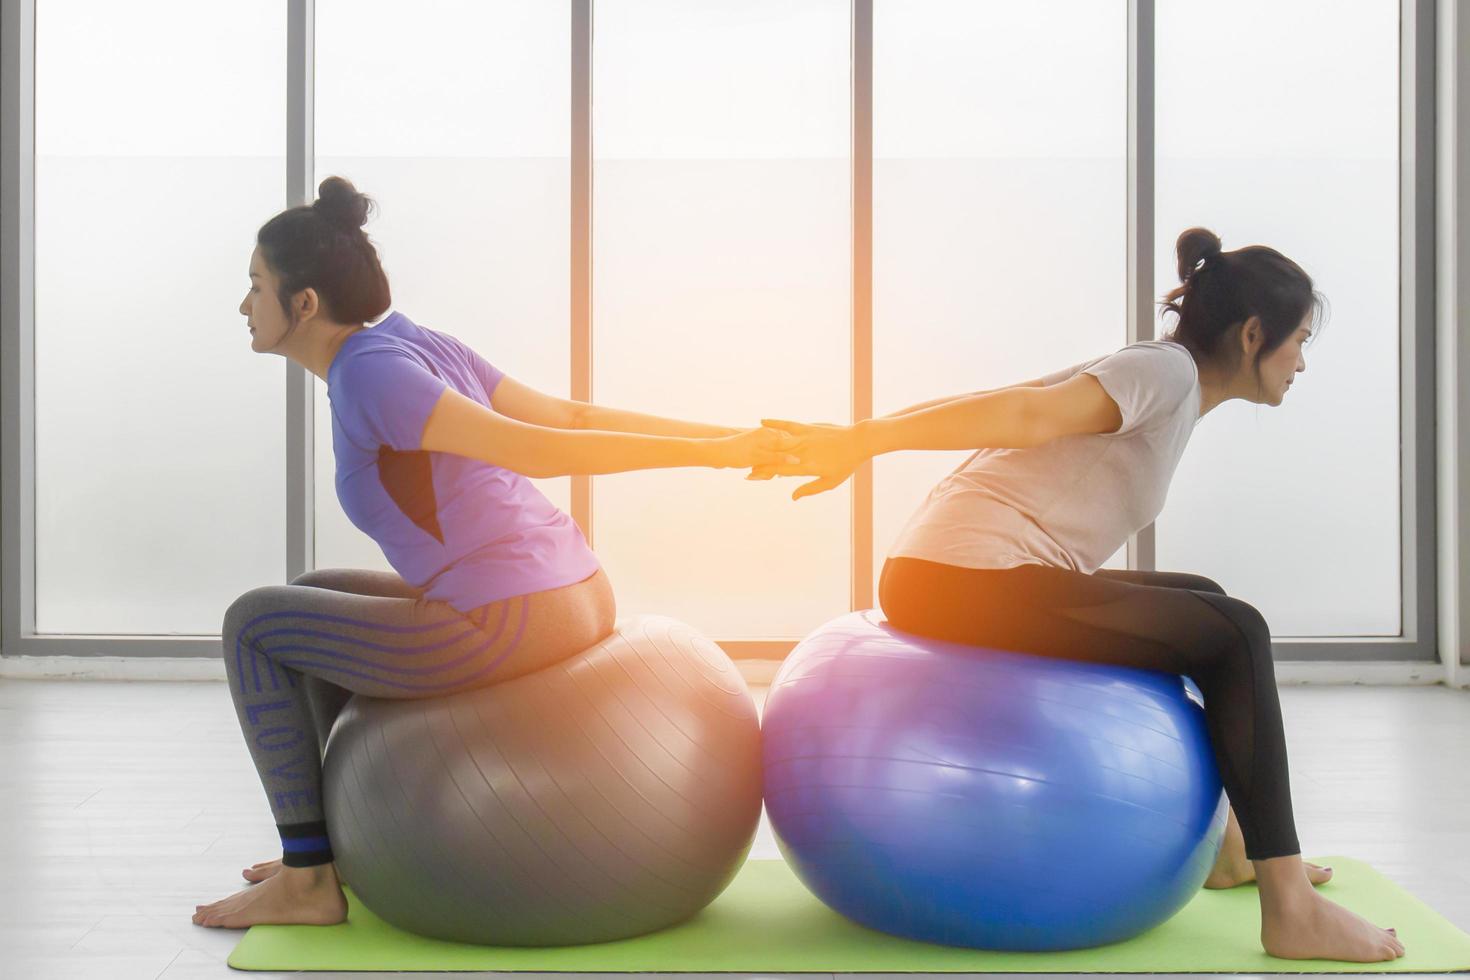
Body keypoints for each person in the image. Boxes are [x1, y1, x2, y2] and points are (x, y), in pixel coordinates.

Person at [751, 227, 1405, 963]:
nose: (1302, 362)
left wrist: (864, 435)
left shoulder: (1161, 375)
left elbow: (1015, 399)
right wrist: (860, 439)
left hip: (955, 572)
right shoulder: (1168, 374)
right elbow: (1024, 415)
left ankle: (1234, 852)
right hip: (965, 579)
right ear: (1254, 333)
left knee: (1206, 601)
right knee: (1237, 630)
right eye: (1298, 341)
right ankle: (1292, 910)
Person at [193, 177, 794, 929]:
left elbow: (539, 445)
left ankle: (309, 880)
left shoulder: (370, 374)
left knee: (254, 623)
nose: (244, 304)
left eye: (255, 285)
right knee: (312, 591)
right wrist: (725, 442)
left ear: (304, 304)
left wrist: (722, 452)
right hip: (573, 589)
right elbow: (569, 413)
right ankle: (326, 852)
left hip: (508, 617)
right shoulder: (410, 342)